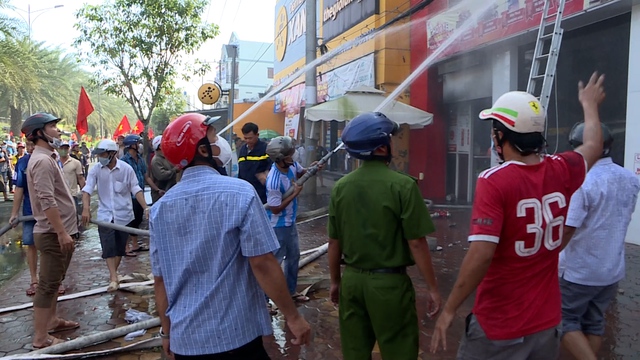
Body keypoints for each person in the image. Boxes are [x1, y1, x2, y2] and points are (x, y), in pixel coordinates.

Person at [430, 72, 607, 359]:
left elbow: (481, 254)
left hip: (499, 327)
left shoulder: (493, 181)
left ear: (502, 135)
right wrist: (590, 105)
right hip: (546, 326)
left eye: (494, 131)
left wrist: (450, 309)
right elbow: (593, 146)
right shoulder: (563, 168)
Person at [150, 113, 311, 359]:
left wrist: (167, 333)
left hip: (186, 341)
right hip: (236, 336)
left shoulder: (160, 209)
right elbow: (263, 263)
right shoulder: (240, 193)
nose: (222, 144)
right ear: (203, 151)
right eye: (215, 137)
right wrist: (293, 317)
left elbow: (160, 281)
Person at [328, 112, 441, 360]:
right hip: (389, 286)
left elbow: (334, 242)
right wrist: (433, 288)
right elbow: (416, 243)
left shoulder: (341, 187)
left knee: (355, 353)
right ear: (381, 148)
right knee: (399, 351)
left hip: (352, 282)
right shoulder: (403, 185)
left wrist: (336, 281)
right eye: (390, 139)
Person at [559, 122, 640, 360]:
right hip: (611, 271)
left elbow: (567, 230)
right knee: (593, 323)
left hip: (579, 271)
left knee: (563, 320)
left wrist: (546, 256)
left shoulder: (582, 182)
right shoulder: (630, 178)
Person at [22, 112, 80, 348]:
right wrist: (61, 232)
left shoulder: (49, 156)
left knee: (55, 281)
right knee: (47, 285)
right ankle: (40, 337)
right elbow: (47, 200)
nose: (57, 130)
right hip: (51, 233)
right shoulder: (43, 161)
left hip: (58, 230)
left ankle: (53, 321)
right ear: (38, 133)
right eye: (52, 127)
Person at [82, 139, 149, 292]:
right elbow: (87, 189)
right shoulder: (96, 170)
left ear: (112, 154)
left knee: (119, 249)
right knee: (108, 248)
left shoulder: (126, 169)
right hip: (105, 216)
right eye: (98, 155)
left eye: (103, 154)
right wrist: (86, 209)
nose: (100, 157)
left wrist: (146, 207)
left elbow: (135, 189)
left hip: (123, 216)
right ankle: (113, 277)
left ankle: (114, 274)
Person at [265, 136, 321, 303]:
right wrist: (295, 194)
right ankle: (264, 301)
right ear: (280, 159)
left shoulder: (291, 165)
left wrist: (313, 169)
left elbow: (301, 172)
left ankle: (291, 291)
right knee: (274, 263)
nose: (294, 155)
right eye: (290, 154)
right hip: (278, 226)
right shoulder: (273, 181)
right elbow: (275, 208)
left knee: (293, 257)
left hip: (290, 223)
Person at [10, 141, 39, 296]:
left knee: (51, 245)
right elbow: (19, 189)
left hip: (49, 212)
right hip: (29, 212)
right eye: (28, 144)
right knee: (30, 244)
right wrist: (14, 213)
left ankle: (55, 280)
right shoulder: (22, 163)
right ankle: (34, 280)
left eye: (32, 144)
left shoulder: (50, 159)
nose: (30, 147)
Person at [121, 134, 157, 255]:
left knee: (137, 220)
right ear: (132, 145)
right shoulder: (123, 161)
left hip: (139, 195)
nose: (140, 145)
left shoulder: (140, 159)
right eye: (137, 143)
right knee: (128, 221)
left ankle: (135, 244)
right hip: (129, 196)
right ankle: (125, 247)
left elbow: (146, 176)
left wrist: (156, 188)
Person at [238, 122, 271, 204]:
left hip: (261, 193)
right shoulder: (242, 150)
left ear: (257, 135)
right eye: (245, 138)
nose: (248, 141)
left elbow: (272, 166)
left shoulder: (265, 148)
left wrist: (266, 174)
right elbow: (241, 170)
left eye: (250, 138)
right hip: (246, 191)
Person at [58, 142, 86, 225]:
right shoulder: (53, 162)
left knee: (73, 221)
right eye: (61, 148)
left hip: (72, 195)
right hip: (57, 197)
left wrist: (85, 195)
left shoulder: (75, 163)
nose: (63, 150)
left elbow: (81, 179)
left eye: (65, 148)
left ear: (68, 149)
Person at [149, 135, 179, 203]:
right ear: (159, 146)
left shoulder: (167, 157)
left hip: (169, 192)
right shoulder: (156, 160)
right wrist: (174, 170)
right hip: (160, 195)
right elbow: (161, 175)